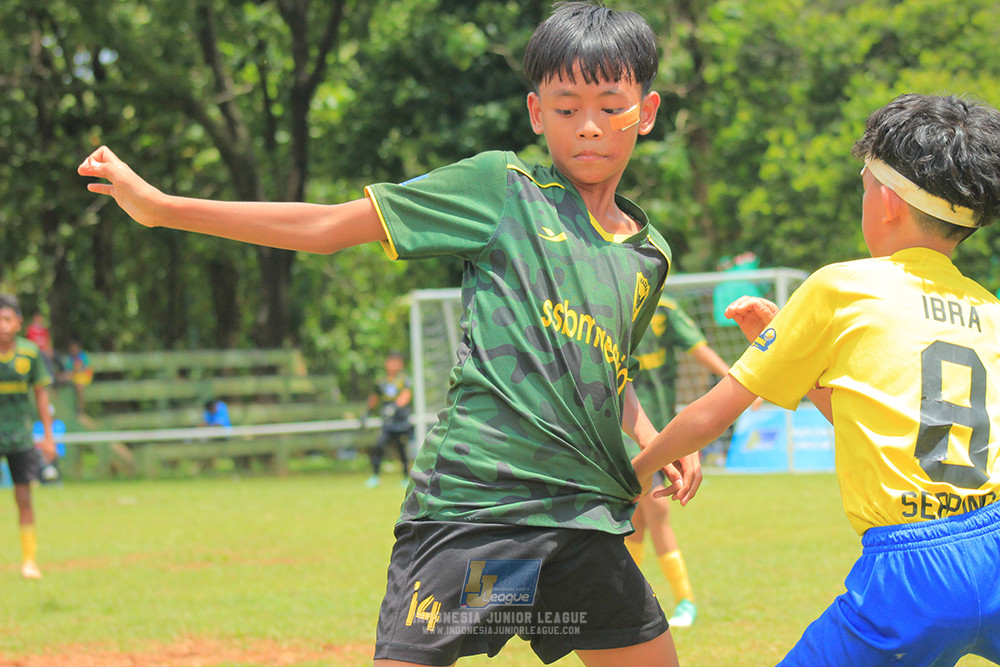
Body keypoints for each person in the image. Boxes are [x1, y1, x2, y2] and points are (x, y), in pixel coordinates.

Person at [78, 3, 704, 664]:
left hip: (582, 520)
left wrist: (652, 436)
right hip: (476, 513)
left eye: (611, 106)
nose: (588, 127)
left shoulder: (649, 255)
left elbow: (605, 372)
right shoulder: (503, 189)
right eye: (566, 105)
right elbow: (325, 228)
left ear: (648, 109)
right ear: (534, 112)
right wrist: (163, 207)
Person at [633, 93, 1000, 666]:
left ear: (885, 201)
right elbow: (884, 422)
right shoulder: (987, 308)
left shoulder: (842, 287)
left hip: (912, 571)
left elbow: (712, 412)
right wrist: (797, 361)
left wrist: (634, 470)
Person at [625, 296, 731, 628]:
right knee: (642, 515)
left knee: (648, 513)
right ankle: (661, 600)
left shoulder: (665, 310)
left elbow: (697, 346)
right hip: (618, 428)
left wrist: (733, 379)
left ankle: (672, 600)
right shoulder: (603, 306)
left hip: (660, 431)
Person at [0, 295, 57, 579]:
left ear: (19, 323)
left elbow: (41, 395)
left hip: (20, 437)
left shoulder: (30, 353)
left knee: (24, 497)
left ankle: (29, 560)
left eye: (7, 319)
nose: (2, 326)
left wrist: (48, 436)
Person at [364, 351, 413, 488]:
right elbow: (374, 397)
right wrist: (367, 412)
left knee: (401, 448)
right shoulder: (382, 381)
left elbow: (405, 395)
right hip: (387, 421)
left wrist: (395, 407)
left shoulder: (404, 379)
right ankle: (375, 476)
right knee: (379, 445)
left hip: (400, 420)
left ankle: (405, 477)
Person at [59, 339, 93, 415]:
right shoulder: (70, 357)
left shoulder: (82, 356)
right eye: (72, 349)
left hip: (83, 376)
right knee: (60, 377)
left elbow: (85, 368)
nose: (73, 350)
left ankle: (80, 410)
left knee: (79, 386)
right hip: (73, 376)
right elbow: (68, 369)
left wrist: (75, 371)